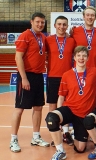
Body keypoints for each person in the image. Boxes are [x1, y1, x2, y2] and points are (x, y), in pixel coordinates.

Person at [45, 46, 96, 160]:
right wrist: (60, 116)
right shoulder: (67, 75)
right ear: (74, 57)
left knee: (80, 149)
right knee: (51, 118)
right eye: (78, 55)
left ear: (87, 58)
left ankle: (78, 135)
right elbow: (61, 96)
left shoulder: (95, 71)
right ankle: (60, 151)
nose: (81, 58)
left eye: (84, 55)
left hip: (84, 114)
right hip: (70, 109)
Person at [10, 12, 50, 153]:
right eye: (38, 22)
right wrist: (24, 77)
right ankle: (13, 139)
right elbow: (18, 57)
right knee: (19, 108)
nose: (40, 24)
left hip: (39, 76)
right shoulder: (25, 35)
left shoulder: (42, 37)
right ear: (31, 22)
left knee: (38, 107)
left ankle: (36, 136)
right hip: (26, 76)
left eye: (42, 22)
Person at [46, 15, 76, 146]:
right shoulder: (48, 40)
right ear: (55, 25)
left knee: (66, 105)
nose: (62, 27)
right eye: (59, 24)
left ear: (67, 26)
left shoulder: (72, 41)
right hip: (53, 77)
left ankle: (65, 133)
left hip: (68, 77)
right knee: (53, 106)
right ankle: (55, 135)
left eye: (64, 24)